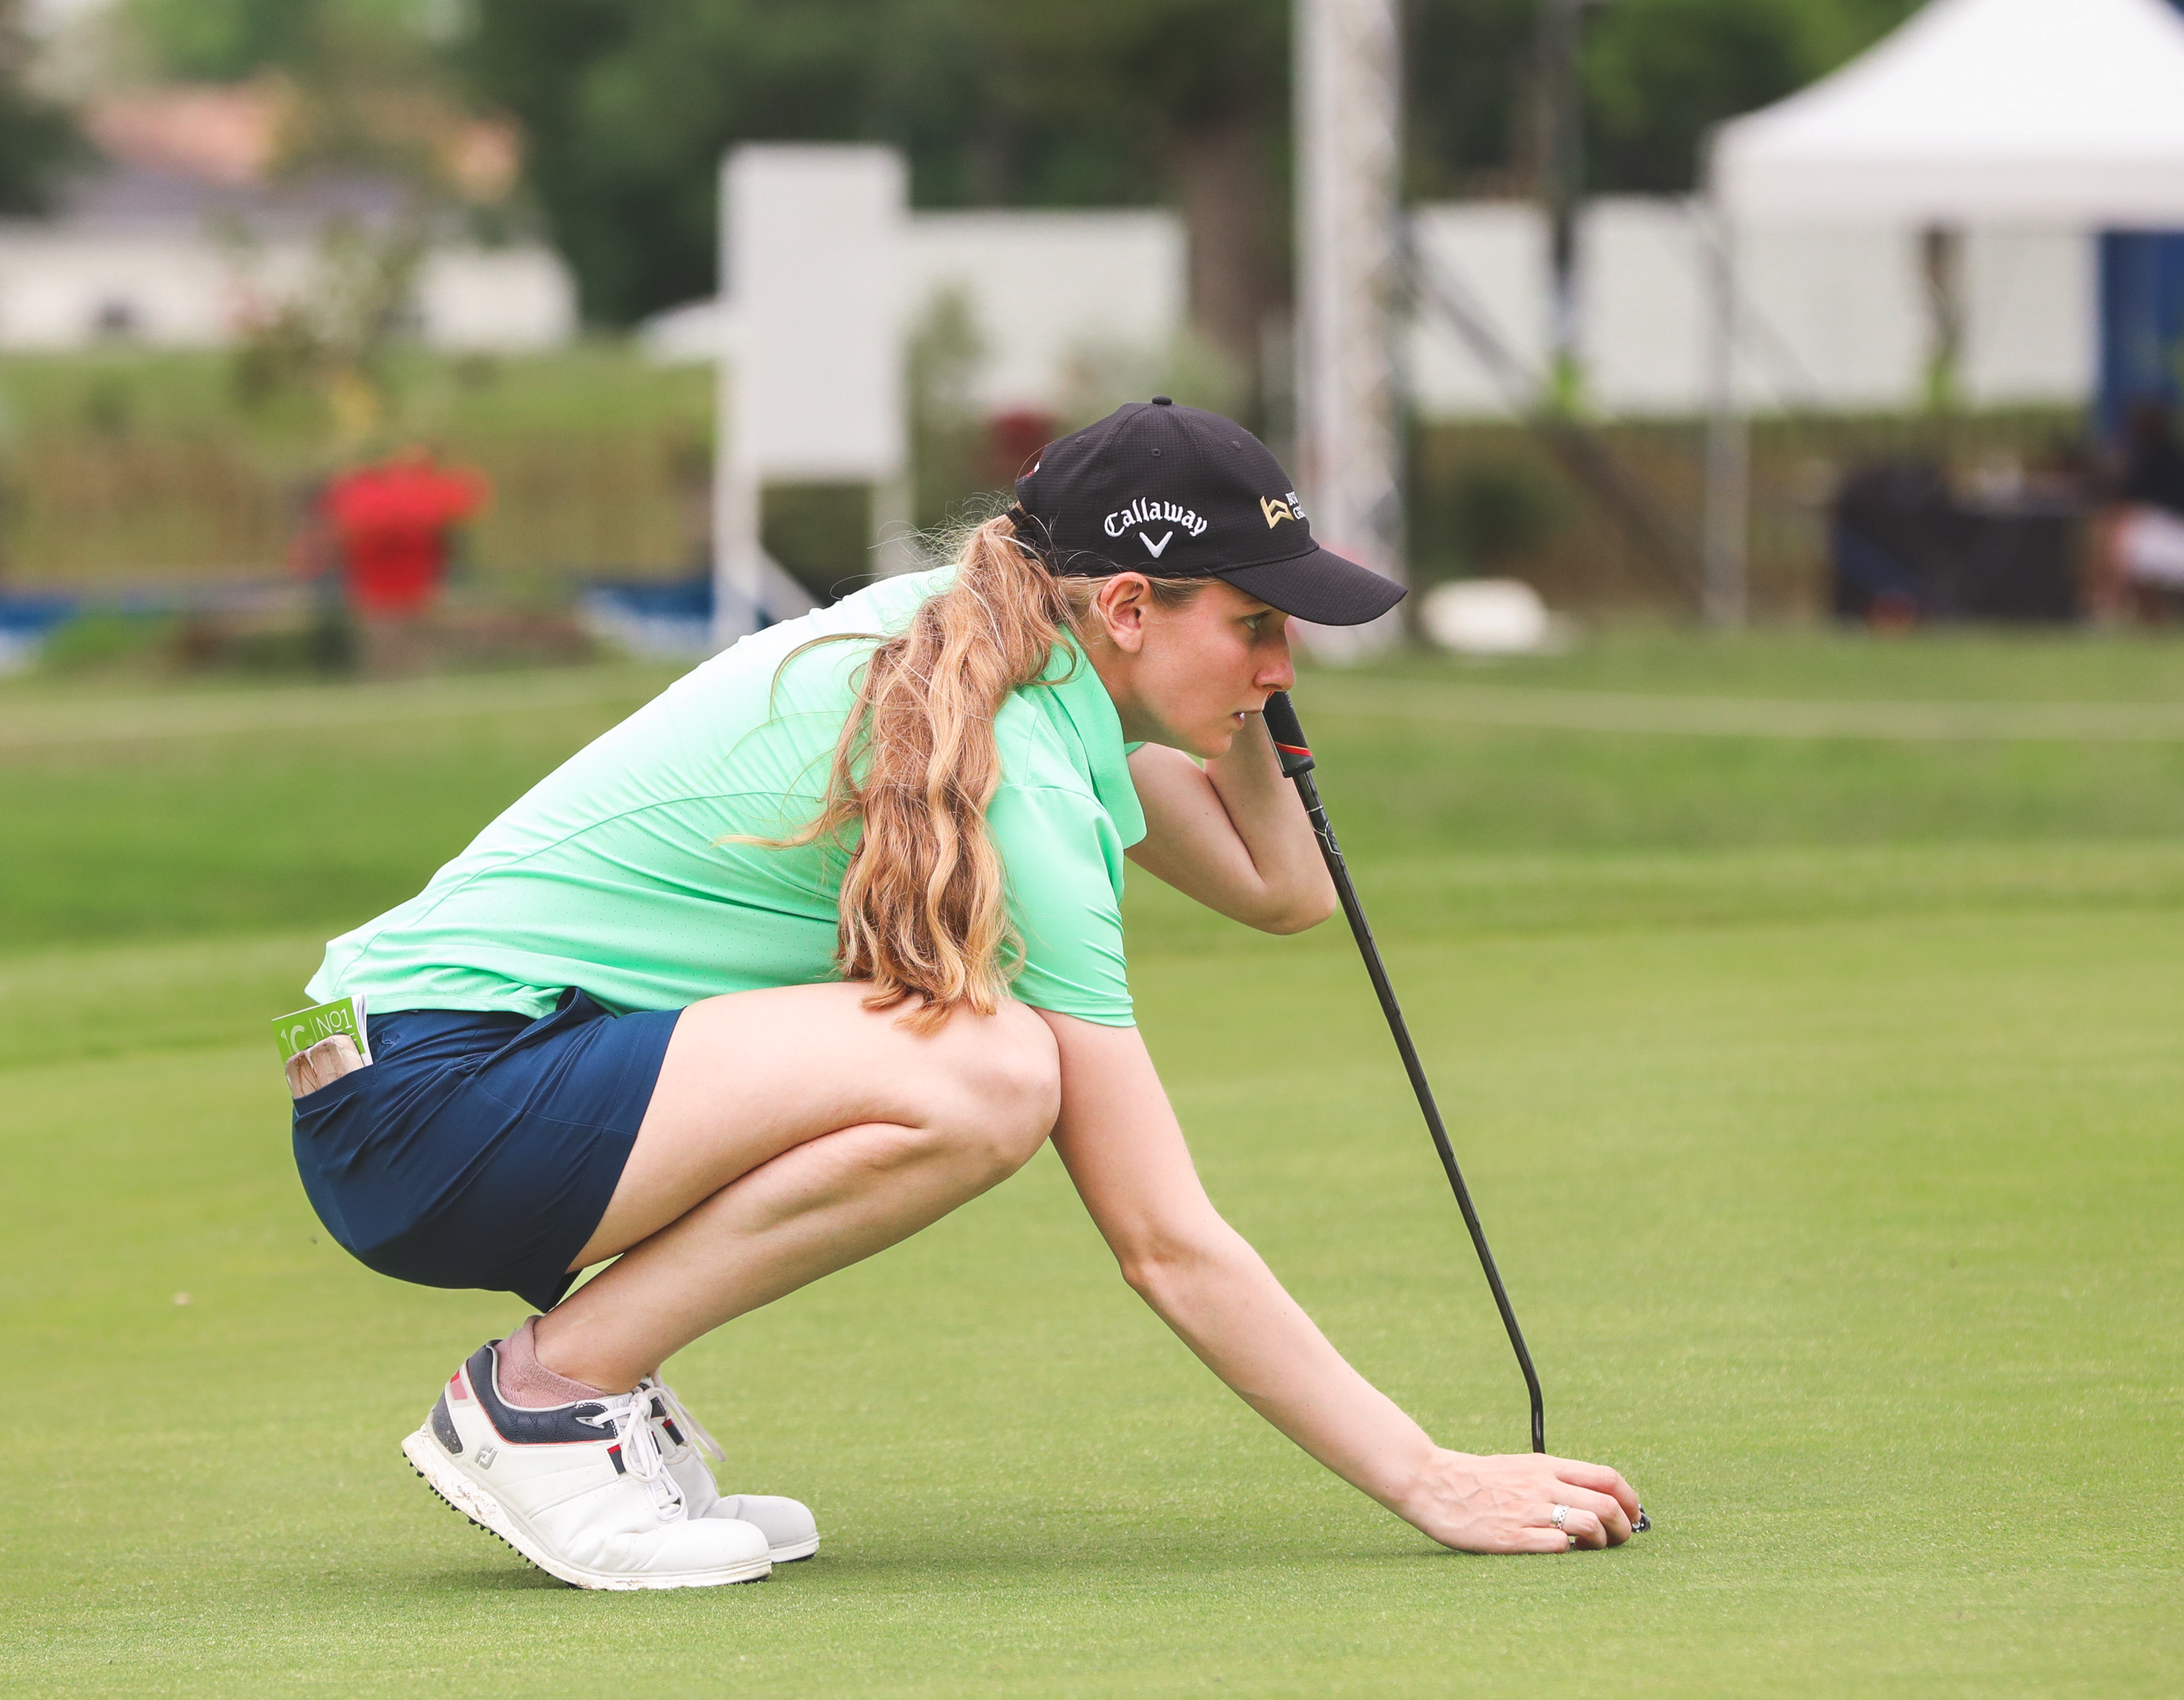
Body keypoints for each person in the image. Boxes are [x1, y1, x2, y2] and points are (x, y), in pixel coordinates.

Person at [288, 398, 1644, 1590]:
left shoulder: (994, 658)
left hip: (405, 1073)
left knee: (983, 1060)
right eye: (1256, 624)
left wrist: (1249, 704)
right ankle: (544, 1399)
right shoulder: (1018, 760)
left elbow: (1282, 890)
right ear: (1123, 607)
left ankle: (583, 1391)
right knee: (989, 1073)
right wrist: (1426, 1477)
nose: (1283, 662)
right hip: (420, 1100)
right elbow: (1164, 1240)